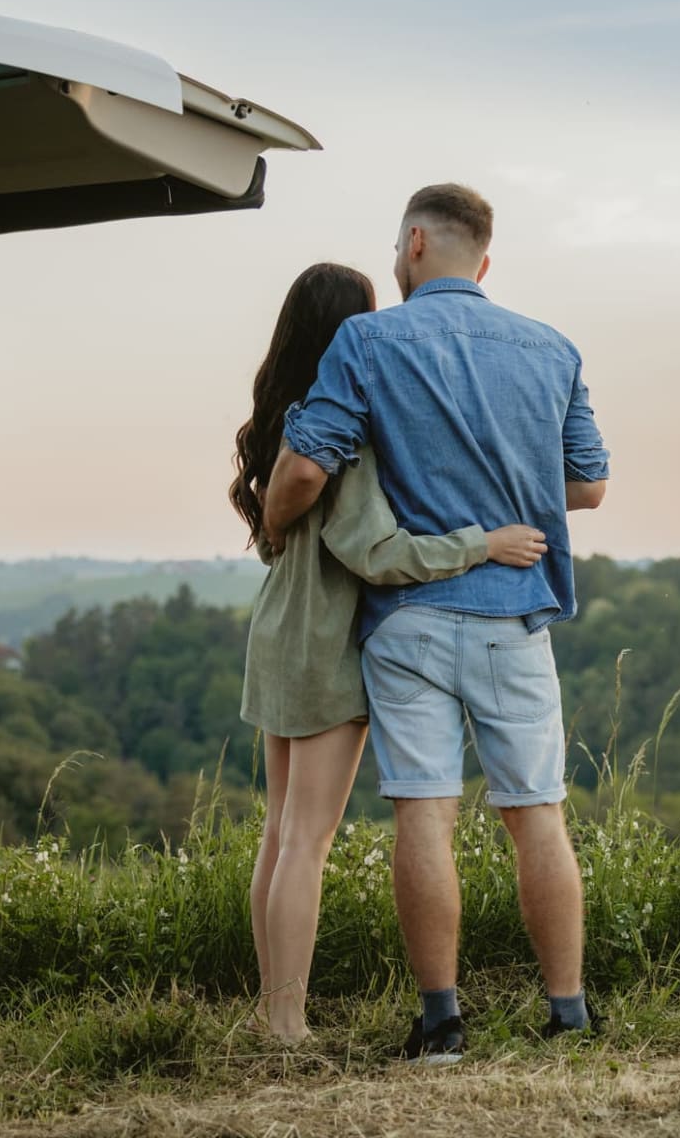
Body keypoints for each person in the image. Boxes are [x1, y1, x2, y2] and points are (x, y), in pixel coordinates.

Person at [264, 184, 611, 1064]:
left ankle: (441, 1022)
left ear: (414, 243)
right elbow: (589, 485)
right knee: (538, 814)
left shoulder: (368, 341)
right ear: (483, 259)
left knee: (426, 811)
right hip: (514, 613)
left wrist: (273, 523)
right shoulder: (551, 347)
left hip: (408, 619)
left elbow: (308, 465)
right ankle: (567, 1013)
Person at [229, 261, 549, 1044]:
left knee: (280, 831)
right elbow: (375, 552)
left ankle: (275, 1009)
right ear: (349, 331)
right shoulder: (341, 433)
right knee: (306, 836)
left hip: (278, 629)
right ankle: (287, 1024)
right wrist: (483, 543)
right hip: (326, 638)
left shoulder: (282, 415)